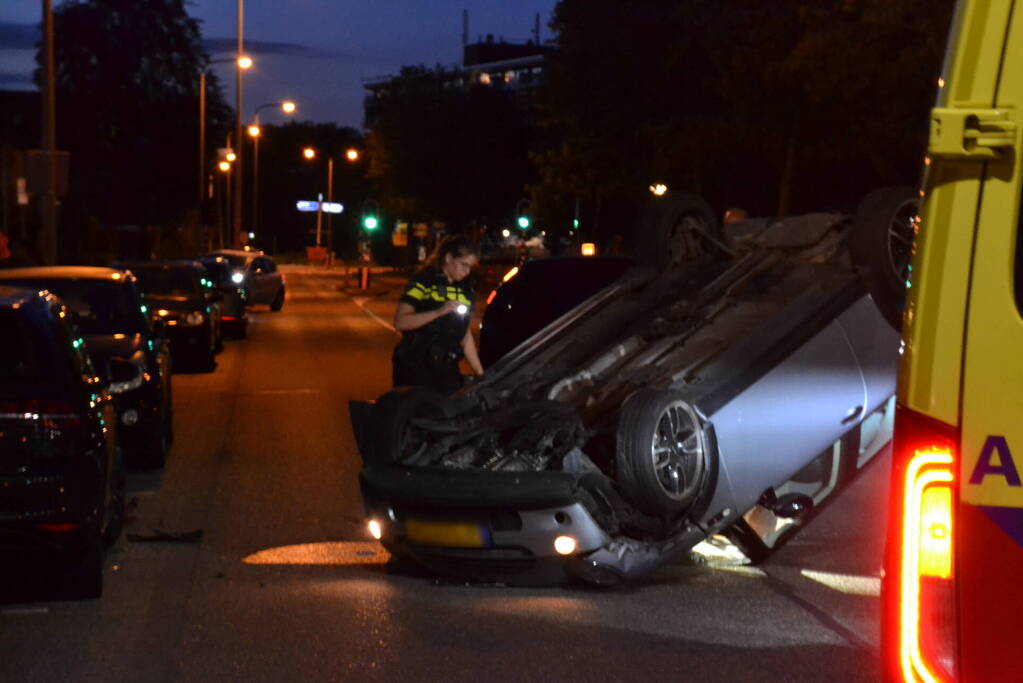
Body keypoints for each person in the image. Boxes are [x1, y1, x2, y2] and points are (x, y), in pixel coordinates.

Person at [392, 234, 484, 395]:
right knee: (418, 416)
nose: (466, 272)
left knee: (451, 414)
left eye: (470, 267)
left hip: (446, 368)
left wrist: (481, 374)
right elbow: (401, 321)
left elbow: (464, 334)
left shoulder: (466, 290)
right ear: (448, 258)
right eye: (463, 265)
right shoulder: (423, 281)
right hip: (415, 366)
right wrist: (438, 312)